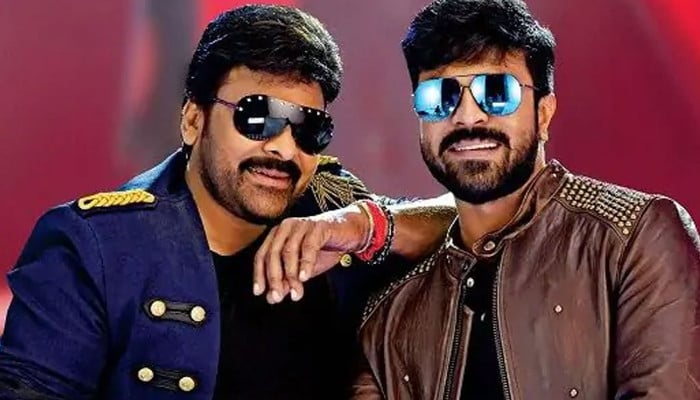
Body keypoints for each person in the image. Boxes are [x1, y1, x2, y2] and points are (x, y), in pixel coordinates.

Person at [0, 5, 455, 400]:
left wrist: (368, 225)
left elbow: (470, 225)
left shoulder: (333, 210)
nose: (284, 148)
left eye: (309, 129)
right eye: (257, 117)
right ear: (193, 121)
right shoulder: (93, 245)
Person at [254, 0, 700, 398]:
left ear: (544, 113)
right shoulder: (388, 320)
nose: (468, 116)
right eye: (440, 96)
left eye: (497, 93)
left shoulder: (634, 237)